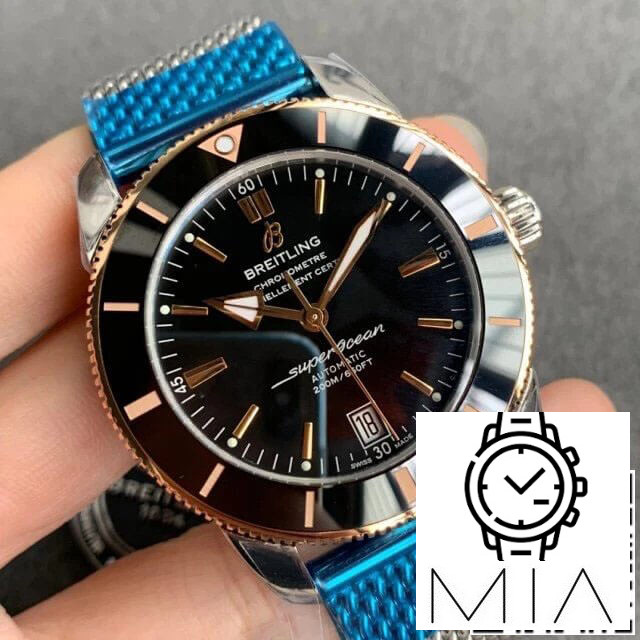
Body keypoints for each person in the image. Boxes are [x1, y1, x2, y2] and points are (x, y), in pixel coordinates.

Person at [0, 117, 615, 640]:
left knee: (540, 593)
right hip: (352, 507)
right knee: (543, 588)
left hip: (388, 460)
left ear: (508, 221)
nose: (317, 320)